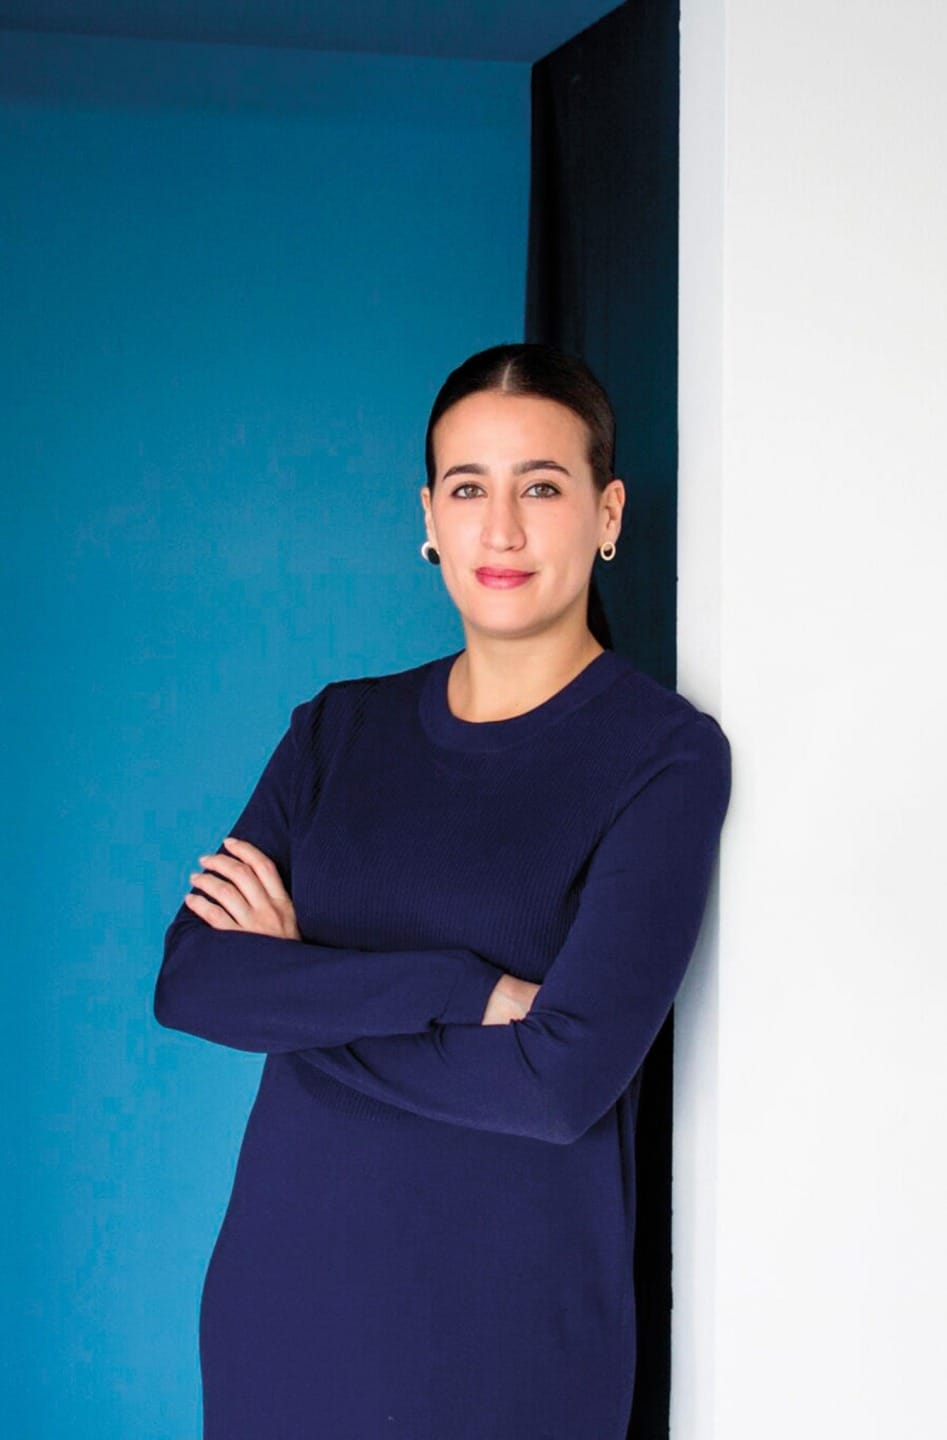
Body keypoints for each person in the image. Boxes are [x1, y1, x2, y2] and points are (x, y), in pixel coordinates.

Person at [153, 342, 731, 1439]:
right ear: (428, 514)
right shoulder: (337, 730)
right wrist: (462, 989)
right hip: (286, 1310)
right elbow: (193, 984)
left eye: (541, 487)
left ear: (607, 515)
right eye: (468, 488)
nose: (500, 528)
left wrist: (302, 989)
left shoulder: (661, 756)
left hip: (506, 1335)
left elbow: (560, 1086)